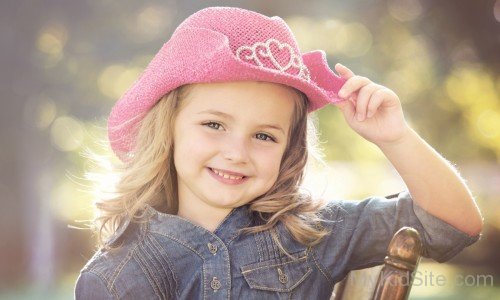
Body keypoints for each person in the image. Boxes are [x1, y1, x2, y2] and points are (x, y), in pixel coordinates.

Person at [75, 6, 483, 299]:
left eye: (265, 136)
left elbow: (452, 227)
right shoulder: (117, 275)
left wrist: (395, 138)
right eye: (214, 125)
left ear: (289, 150)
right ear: (169, 130)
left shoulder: (311, 233)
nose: (237, 153)